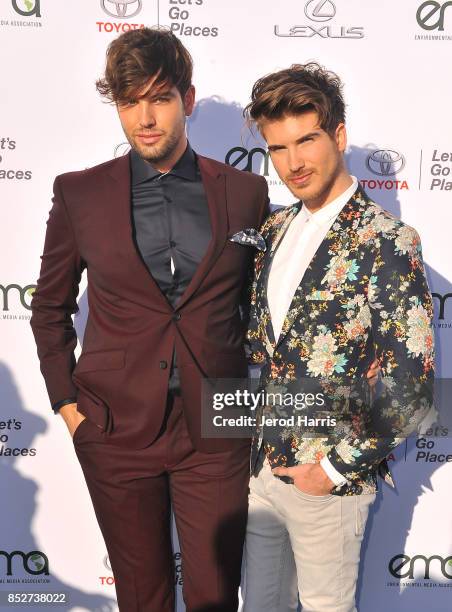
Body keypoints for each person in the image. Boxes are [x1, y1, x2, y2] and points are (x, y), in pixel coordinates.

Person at [29, 27, 270, 612]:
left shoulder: (245, 191)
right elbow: (50, 307)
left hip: (216, 429)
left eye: (159, 98)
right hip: (112, 427)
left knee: (215, 595)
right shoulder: (80, 194)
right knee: (142, 596)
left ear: (187, 100)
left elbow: (261, 306)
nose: (145, 117)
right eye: (129, 101)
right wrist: (69, 407)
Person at [243, 63, 435, 611]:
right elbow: (265, 350)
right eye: (278, 148)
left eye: (307, 140)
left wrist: (329, 471)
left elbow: (411, 390)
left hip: (328, 482)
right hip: (262, 474)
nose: (293, 163)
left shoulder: (387, 240)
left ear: (339, 135)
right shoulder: (275, 230)